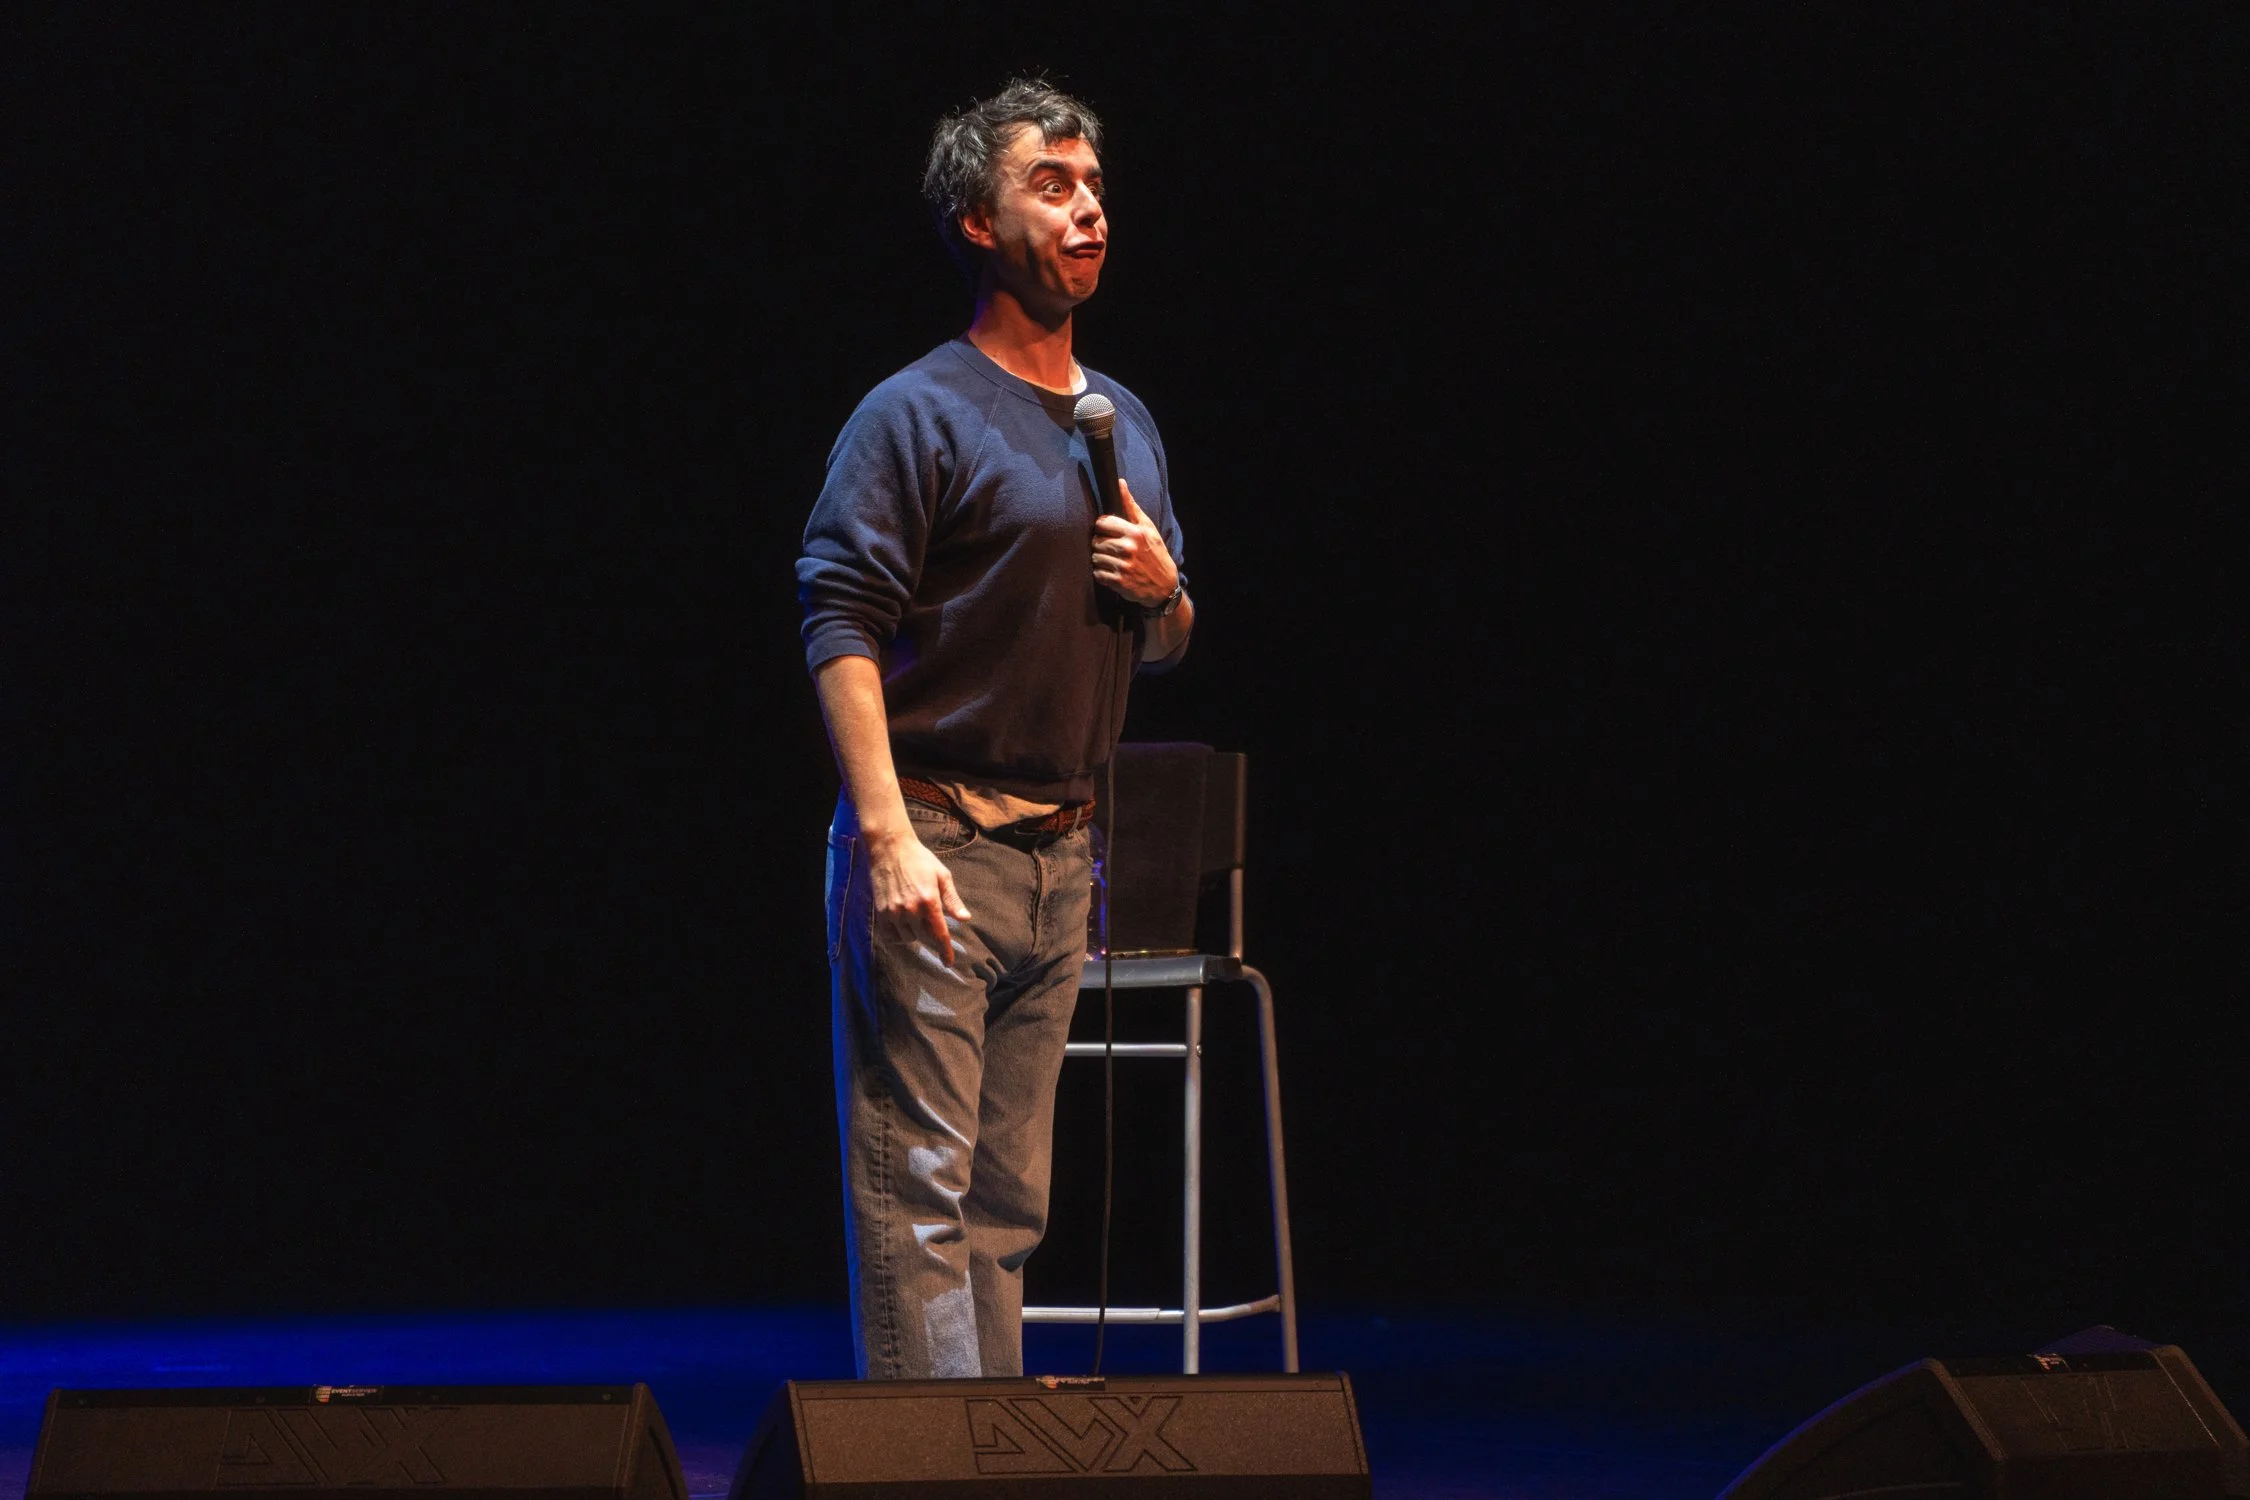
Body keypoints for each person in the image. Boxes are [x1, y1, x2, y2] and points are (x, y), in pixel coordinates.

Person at [797, 79, 1194, 1380]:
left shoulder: (1116, 420)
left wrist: (1165, 594)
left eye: (1092, 188)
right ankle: (926, 1470)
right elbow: (838, 623)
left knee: (1003, 1214)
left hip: (1054, 865)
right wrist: (884, 835)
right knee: (918, 1193)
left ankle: (983, 1459)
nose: (1086, 210)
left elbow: (1171, 635)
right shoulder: (914, 412)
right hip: (934, 846)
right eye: (1050, 185)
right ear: (976, 219)